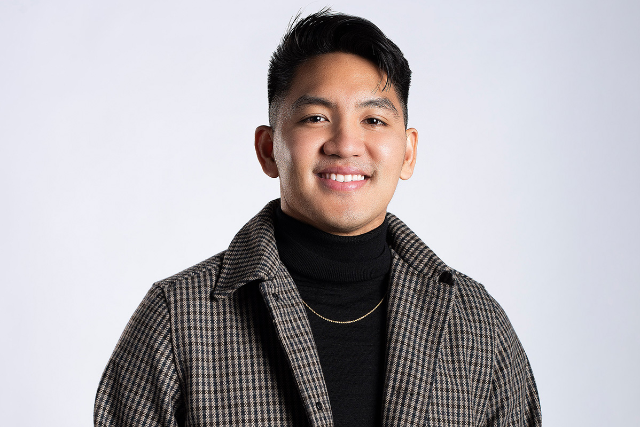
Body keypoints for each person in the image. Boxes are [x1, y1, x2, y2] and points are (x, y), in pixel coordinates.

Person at [95, 9, 541, 427]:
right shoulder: (176, 320)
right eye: (315, 117)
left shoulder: (477, 326)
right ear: (268, 149)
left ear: (408, 153)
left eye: (373, 120)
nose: (345, 144)